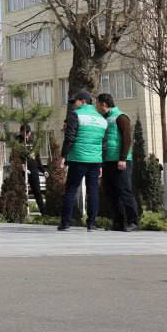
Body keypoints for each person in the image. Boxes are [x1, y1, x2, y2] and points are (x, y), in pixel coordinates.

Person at [58, 90, 107, 232]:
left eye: (75, 101)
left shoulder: (75, 115)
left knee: (71, 189)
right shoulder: (101, 119)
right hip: (95, 161)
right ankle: (91, 224)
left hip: (78, 159)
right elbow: (103, 144)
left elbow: (69, 137)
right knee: (93, 191)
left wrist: (63, 156)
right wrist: (101, 164)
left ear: (83, 101)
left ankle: (65, 223)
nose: (73, 104)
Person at [96, 93, 139, 231]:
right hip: (107, 161)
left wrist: (123, 158)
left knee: (125, 191)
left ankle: (133, 222)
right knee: (111, 192)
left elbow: (127, 139)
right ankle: (118, 222)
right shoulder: (104, 118)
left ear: (103, 104)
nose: (96, 107)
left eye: (97, 104)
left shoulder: (121, 117)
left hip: (121, 161)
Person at [20, 124, 46, 216]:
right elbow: (15, 157)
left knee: (37, 191)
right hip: (23, 171)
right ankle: (22, 212)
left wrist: (43, 170)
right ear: (21, 132)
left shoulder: (33, 142)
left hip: (34, 170)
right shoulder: (17, 142)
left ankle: (44, 212)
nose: (26, 135)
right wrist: (22, 166)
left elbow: (37, 158)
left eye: (28, 133)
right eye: (24, 133)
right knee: (22, 192)